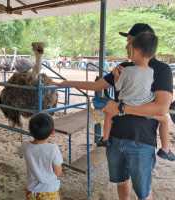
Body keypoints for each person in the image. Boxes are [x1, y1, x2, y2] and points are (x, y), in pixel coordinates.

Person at [54, 23, 173, 200]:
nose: (127, 44)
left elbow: (162, 107)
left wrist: (122, 108)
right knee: (121, 182)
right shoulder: (123, 67)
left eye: (130, 40)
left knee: (143, 192)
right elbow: (96, 85)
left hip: (141, 141)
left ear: (141, 42)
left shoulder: (161, 70)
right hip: (115, 139)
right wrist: (66, 83)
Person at [99, 32, 175, 162]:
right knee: (164, 119)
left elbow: (117, 88)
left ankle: (105, 139)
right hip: (144, 107)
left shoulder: (126, 69)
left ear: (136, 51)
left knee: (108, 112)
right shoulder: (153, 71)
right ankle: (165, 149)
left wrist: (117, 77)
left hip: (126, 105)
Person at [22, 112, 63, 200]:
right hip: (49, 192)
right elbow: (58, 172)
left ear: (30, 131)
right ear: (53, 132)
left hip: (31, 191)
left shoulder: (25, 146)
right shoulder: (53, 149)